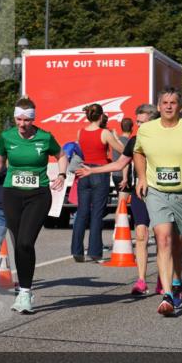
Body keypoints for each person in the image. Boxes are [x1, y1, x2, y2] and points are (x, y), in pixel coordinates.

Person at [0, 97, 68, 314]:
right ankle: (24, 292)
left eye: (26, 120)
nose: (22, 124)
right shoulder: (6, 137)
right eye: (18, 119)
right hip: (12, 194)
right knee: (18, 243)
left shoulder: (45, 137)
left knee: (26, 242)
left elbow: (61, 154)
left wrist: (62, 174)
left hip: (38, 195)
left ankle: (25, 292)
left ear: (33, 119)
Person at [133, 88, 182, 316]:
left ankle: (177, 281)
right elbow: (138, 153)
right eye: (165, 103)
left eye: (173, 103)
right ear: (158, 107)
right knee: (163, 238)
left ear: (180, 106)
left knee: (179, 240)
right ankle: (167, 293)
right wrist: (141, 177)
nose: (169, 106)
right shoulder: (147, 130)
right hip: (156, 191)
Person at [82, 104, 160, 295]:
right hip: (140, 193)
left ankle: (162, 278)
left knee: (162, 239)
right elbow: (119, 163)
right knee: (141, 235)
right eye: (137, 122)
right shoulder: (134, 141)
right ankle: (141, 280)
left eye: (143, 123)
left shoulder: (164, 140)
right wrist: (93, 169)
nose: (139, 126)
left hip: (161, 195)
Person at [71, 103, 124, 262]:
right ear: (101, 117)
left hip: (83, 172)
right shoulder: (105, 133)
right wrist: (114, 137)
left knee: (82, 212)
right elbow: (122, 150)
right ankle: (94, 252)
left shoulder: (80, 132)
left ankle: (77, 251)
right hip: (99, 173)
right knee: (97, 213)